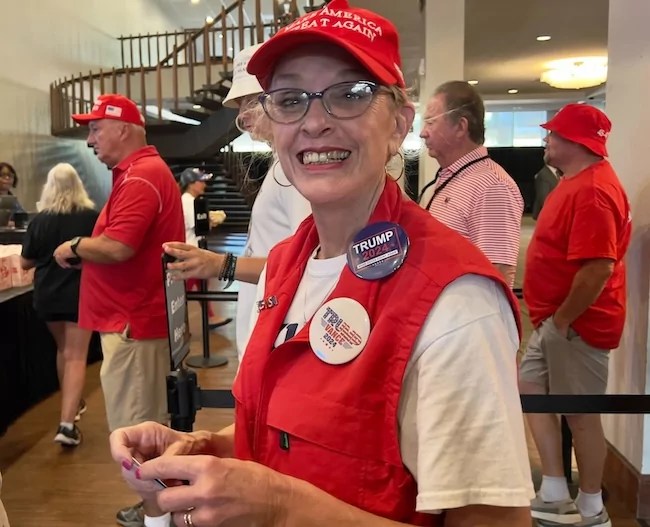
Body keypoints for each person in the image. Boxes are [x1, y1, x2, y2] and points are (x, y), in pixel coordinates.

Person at [110, 1, 534, 526]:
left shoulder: (456, 303)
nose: (314, 122)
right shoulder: (288, 261)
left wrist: (279, 505)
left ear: (399, 124)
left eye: (350, 94)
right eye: (290, 100)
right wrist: (205, 450)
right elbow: (298, 432)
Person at [52, 94, 184, 527]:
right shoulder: (139, 173)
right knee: (144, 423)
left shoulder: (141, 176)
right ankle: (157, 506)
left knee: (137, 430)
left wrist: (75, 246)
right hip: (134, 322)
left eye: (95, 129)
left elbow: (118, 246)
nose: (90, 139)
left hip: (133, 324)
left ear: (123, 128)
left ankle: (158, 513)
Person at [520, 103, 631, 527]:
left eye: (553, 133)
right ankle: (553, 491)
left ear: (574, 141)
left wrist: (564, 320)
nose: (546, 139)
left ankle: (592, 508)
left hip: (577, 325)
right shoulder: (576, 182)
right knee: (531, 389)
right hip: (556, 322)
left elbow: (598, 267)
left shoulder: (594, 191)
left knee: (581, 415)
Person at [173, 43, 312, 361]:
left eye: (249, 102)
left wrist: (221, 264)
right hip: (270, 327)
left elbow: (306, 262)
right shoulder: (283, 165)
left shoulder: (292, 170)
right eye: (240, 105)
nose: (242, 116)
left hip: (279, 332)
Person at [20, 163, 98, 446]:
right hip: (79, 293)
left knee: (64, 350)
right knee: (76, 355)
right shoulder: (92, 217)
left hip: (47, 295)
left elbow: (25, 262)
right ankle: (66, 425)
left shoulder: (40, 220)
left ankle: (72, 405)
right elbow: (102, 251)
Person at [419, 81, 524, 287]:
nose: (423, 132)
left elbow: (497, 273)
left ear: (460, 127)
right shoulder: (454, 175)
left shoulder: (492, 186)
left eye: (431, 122)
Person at [178, 166, 232, 330]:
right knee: (184, 290)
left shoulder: (190, 200)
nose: (204, 185)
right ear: (191, 183)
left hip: (191, 250)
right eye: (200, 181)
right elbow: (200, 225)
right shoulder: (188, 201)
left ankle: (209, 317)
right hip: (190, 250)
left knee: (200, 284)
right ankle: (177, 324)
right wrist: (212, 220)